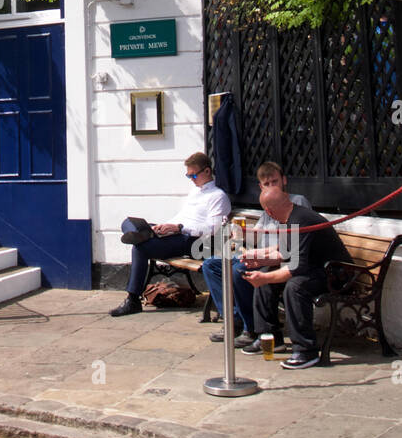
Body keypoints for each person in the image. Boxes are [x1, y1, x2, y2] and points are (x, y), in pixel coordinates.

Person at [201, 161, 310, 348]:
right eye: (266, 184)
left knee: (238, 271)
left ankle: (250, 328)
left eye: (274, 182)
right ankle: (233, 318)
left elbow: (292, 244)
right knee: (211, 264)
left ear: (284, 180)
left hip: (278, 258)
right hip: (258, 252)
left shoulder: (296, 202)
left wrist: (256, 253)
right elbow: (256, 233)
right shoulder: (268, 206)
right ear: (260, 187)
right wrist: (241, 234)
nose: (271, 187)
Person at [242, 185, 350, 369]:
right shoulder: (290, 218)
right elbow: (284, 252)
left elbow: (296, 267)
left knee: (295, 286)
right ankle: (270, 337)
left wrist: (264, 277)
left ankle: (306, 350)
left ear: (268, 211)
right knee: (267, 277)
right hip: (317, 270)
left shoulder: (301, 220)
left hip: (337, 275)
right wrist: (259, 260)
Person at [110, 152, 230, 317]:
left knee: (140, 248)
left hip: (193, 241)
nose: (192, 179)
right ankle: (144, 233)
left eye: (194, 175)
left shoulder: (218, 197)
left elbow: (213, 228)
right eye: (188, 176)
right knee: (128, 222)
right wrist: (164, 226)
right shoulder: (194, 192)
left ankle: (133, 299)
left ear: (207, 171)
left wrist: (179, 228)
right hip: (176, 233)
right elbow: (183, 215)